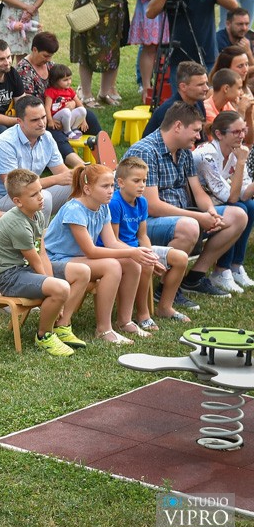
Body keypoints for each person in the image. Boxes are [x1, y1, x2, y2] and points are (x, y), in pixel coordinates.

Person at [126, 102, 248, 301]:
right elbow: (152, 205)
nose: (199, 136)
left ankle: (194, 277)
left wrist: (210, 211)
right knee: (190, 226)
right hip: (142, 224)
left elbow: (198, 192)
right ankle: (165, 290)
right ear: (178, 126)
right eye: (196, 130)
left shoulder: (183, 151)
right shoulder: (146, 151)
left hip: (179, 216)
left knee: (238, 215)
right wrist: (198, 217)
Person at [43, 164, 155, 345]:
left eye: (112, 186)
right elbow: (91, 251)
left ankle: (124, 321)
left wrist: (137, 253)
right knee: (112, 266)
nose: (111, 191)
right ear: (87, 189)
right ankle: (103, 329)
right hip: (54, 261)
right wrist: (131, 251)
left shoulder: (103, 207)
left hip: (75, 260)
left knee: (131, 263)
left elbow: (112, 242)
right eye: (105, 186)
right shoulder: (74, 209)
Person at [0, 169, 90, 355]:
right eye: (34, 194)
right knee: (60, 288)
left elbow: (42, 253)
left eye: (40, 191)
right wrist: (53, 286)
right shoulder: (17, 224)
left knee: (83, 272)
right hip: (9, 276)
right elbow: (35, 260)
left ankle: (62, 325)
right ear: (18, 201)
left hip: (26, 269)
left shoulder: (37, 213)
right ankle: (44, 336)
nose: (41, 197)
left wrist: (52, 284)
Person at [110, 157, 192, 325]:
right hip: (119, 251)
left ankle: (165, 307)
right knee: (146, 263)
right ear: (121, 182)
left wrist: (150, 254)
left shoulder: (142, 202)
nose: (142, 185)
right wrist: (146, 257)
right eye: (136, 180)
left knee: (181, 258)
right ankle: (143, 314)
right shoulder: (114, 203)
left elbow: (142, 236)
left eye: (144, 180)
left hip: (138, 248)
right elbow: (114, 240)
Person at [146, 0, 241, 92]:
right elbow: (150, 13)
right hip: (179, 59)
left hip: (207, 56)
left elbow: (234, 6)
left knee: (207, 99)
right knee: (181, 101)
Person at [16, 31, 102, 163]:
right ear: (34, 49)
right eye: (45, 55)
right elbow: (28, 103)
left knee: (89, 116)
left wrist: (73, 103)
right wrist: (49, 117)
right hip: (41, 115)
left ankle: (102, 153)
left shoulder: (50, 66)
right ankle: (78, 164)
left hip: (62, 109)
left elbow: (65, 88)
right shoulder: (24, 70)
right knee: (53, 132)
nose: (48, 59)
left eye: (51, 56)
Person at [193, 110, 254, 294]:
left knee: (250, 205)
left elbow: (245, 192)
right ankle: (221, 270)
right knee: (239, 208)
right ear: (219, 134)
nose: (242, 136)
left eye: (243, 130)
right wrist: (242, 164)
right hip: (199, 205)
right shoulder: (207, 155)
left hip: (218, 200)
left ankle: (235, 266)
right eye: (236, 132)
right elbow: (232, 198)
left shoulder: (236, 151)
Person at [0, 95, 74, 219]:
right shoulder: (5, 144)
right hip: (2, 200)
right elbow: (15, 188)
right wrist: (57, 179)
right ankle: (37, 237)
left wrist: (81, 176)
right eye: (34, 120)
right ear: (20, 122)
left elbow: (63, 173)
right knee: (43, 198)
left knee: (77, 186)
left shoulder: (47, 137)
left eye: (43, 117)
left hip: (30, 193)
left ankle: (71, 233)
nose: (42, 123)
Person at [143, 62, 210, 141]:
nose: (206, 88)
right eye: (200, 85)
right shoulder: (169, 111)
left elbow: (201, 141)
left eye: (206, 83)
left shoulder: (198, 103)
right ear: (183, 87)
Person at [44, 63, 89, 140]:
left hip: (68, 118)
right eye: (65, 80)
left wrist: (83, 120)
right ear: (55, 81)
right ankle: (67, 131)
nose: (69, 82)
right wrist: (50, 120)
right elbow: (47, 108)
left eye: (70, 79)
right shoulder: (51, 91)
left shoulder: (70, 91)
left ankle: (74, 128)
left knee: (83, 110)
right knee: (66, 111)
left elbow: (80, 105)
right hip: (57, 119)